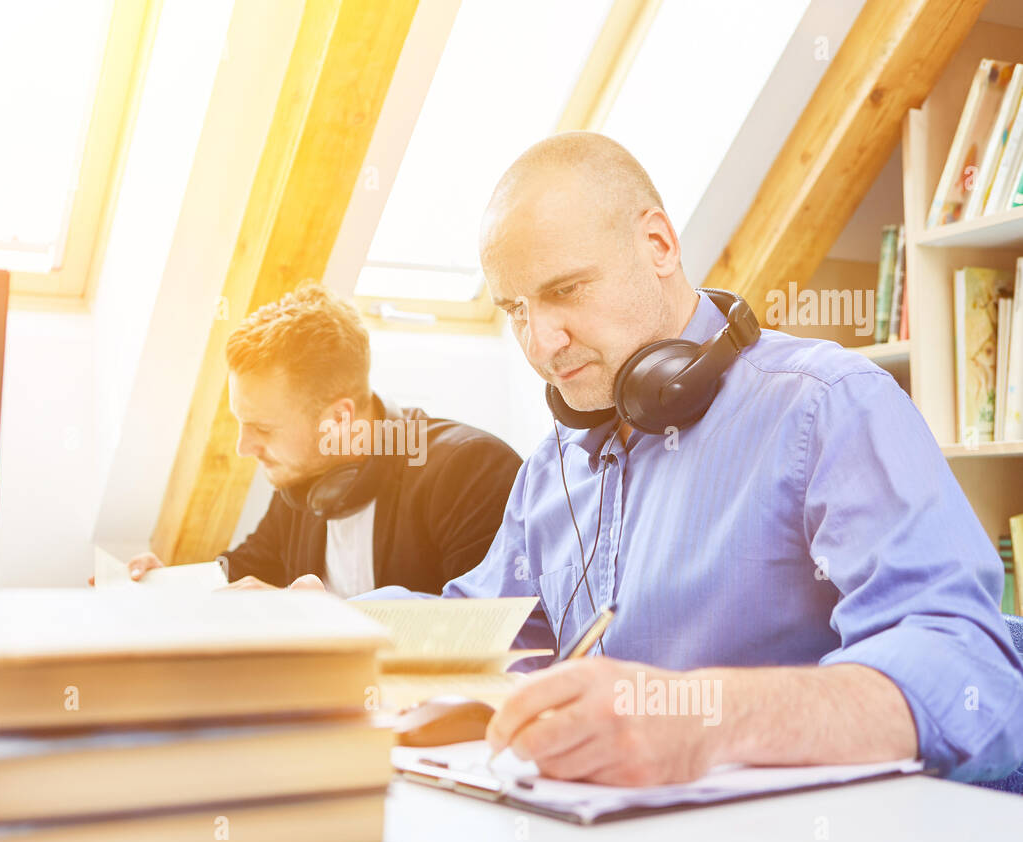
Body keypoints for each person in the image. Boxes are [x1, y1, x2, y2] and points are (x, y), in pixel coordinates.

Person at [361, 132, 1023, 786]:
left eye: (565, 290)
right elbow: (485, 641)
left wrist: (706, 721)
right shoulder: (551, 468)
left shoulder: (826, 405)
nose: (542, 342)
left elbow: (969, 676)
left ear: (658, 246)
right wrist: (325, 626)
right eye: (515, 309)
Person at [128, 281, 522, 596]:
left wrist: (324, 623)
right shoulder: (301, 478)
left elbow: (477, 635)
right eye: (242, 424)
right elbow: (247, 567)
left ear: (338, 418)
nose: (243, 448)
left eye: (263, 428)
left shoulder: (470, 472)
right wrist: (166, 590)